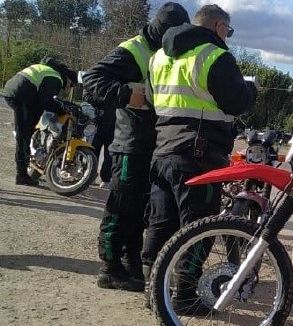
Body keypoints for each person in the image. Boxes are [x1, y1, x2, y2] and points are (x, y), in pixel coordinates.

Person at [142, 4, 257, 315]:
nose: (228, 37)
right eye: (228, 32)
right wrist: (251, 89)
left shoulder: (159, 57)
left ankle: (152, 291)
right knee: (199, 229)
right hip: (199, 156)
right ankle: (183, 297)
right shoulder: (215, 56)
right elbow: (236, 102)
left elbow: (154, 100)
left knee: (160, 223)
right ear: (219, 26)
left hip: (162, 151)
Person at [82, 2, 191, 292]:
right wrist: (126, 94)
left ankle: (130, 264)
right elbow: (92, 78)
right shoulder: (134, 49)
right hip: (130, 143)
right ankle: (108, 267)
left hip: (153, 144)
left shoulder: (167, 50)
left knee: (140, 209)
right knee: (121, 205)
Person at [2, 57, 77, 185]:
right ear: (68, 80)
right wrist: (63, 110)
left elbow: (43, 100)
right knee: (24, 136)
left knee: (31, 125)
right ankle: (22, 175)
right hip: (22, 95)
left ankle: (33, 158)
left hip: (17, 90)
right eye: (71, 86)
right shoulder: (56, 78)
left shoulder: (48, 71)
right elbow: (47, 102)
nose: (68, 89)